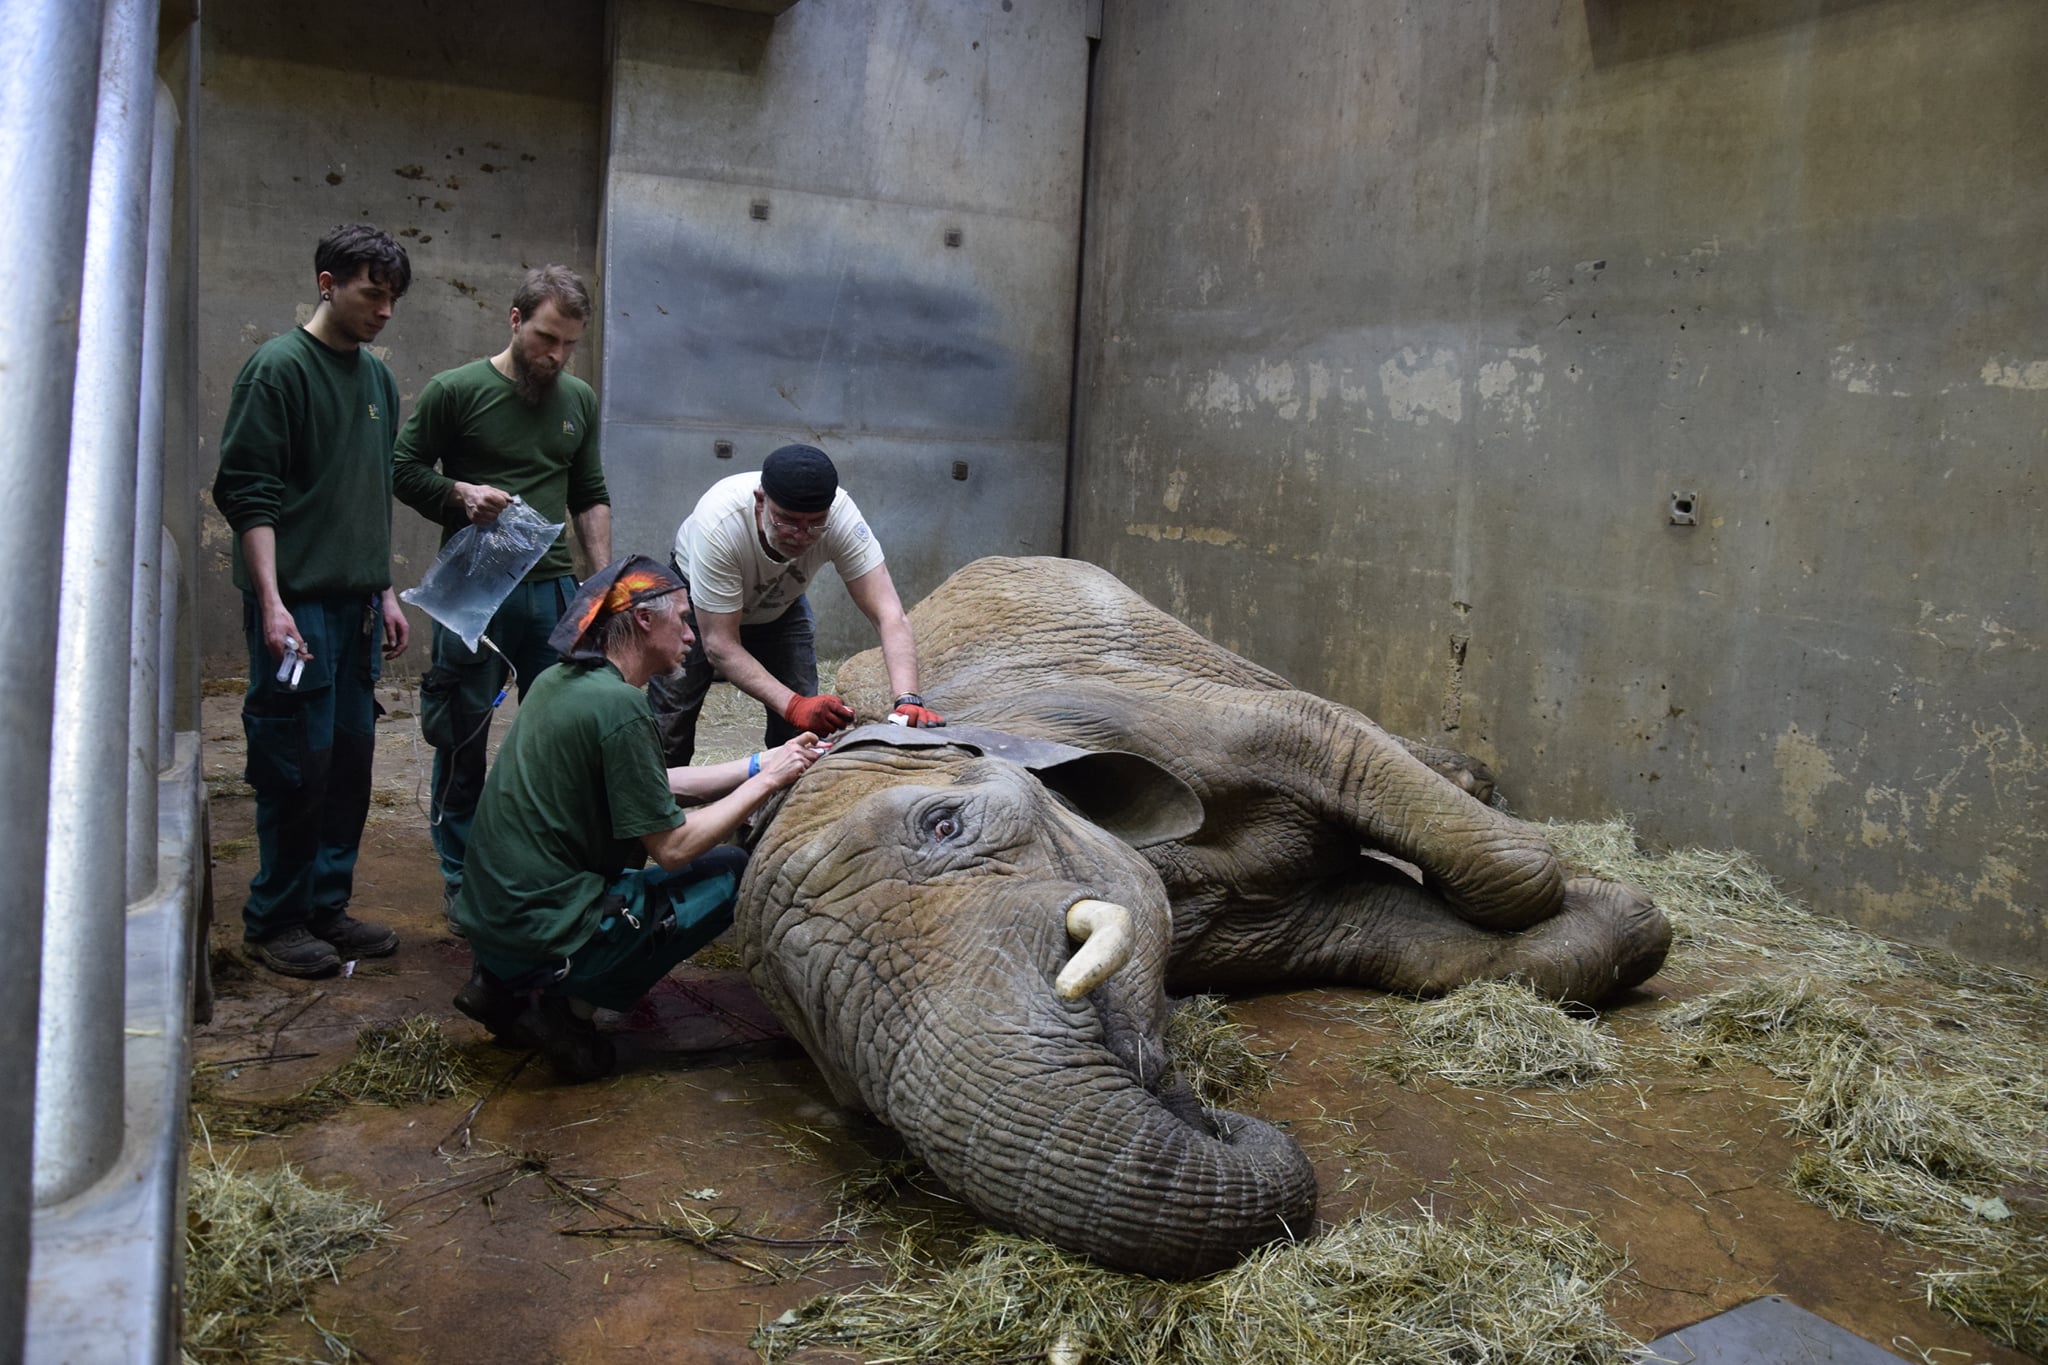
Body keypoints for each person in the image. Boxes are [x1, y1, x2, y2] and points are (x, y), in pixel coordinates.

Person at [449, 555, 821, 1081]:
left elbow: (650, 784)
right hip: (541, 932)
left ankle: (500, 987)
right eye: (683, 620)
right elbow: (672, 850)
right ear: (644, 619)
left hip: (490, 923)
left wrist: (764, 763)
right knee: (731, 871)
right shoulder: (621, 706)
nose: (691, 636)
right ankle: (567, 1013)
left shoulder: (559, 681)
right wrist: (766, 785)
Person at [210, 224, 413, 977]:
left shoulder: (377, 382)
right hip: (298, 607)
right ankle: (276, 918)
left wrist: (384, 588)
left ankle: (327, 905)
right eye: (372, 293)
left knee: (349, 765)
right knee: (295, 763)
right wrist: (271, 602)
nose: (384, 311)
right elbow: (247, 493)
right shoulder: (278, 370)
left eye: (392, 299)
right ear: (328, 284)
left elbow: (366, 497)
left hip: (355, 610)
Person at [392, 265, 611, 922]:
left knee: (559, 735)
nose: (556, 355)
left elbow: (588, 492)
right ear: (515, 320)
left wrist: (601, 586)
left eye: (569, 344)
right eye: (546, 337)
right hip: (475, 595)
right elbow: (401, 469)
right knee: (462, 735)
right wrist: (458, 494)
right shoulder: (454, 391)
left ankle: (544, 869)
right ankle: (462, 878)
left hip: (555, 592)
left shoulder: (578, 400)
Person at [648, 443, 943, 766]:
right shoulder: (720, 522)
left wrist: (908, 699)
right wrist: (793, 705)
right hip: (697, 607)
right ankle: (660, 793)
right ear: (760, 501)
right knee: (670, 723)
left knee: (803, 732)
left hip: (780, 607)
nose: (801, 535)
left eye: (815, 524)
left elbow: (889, 614)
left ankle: (783, 793)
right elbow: (720, 644)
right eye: (787, 521)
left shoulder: (841, 516)